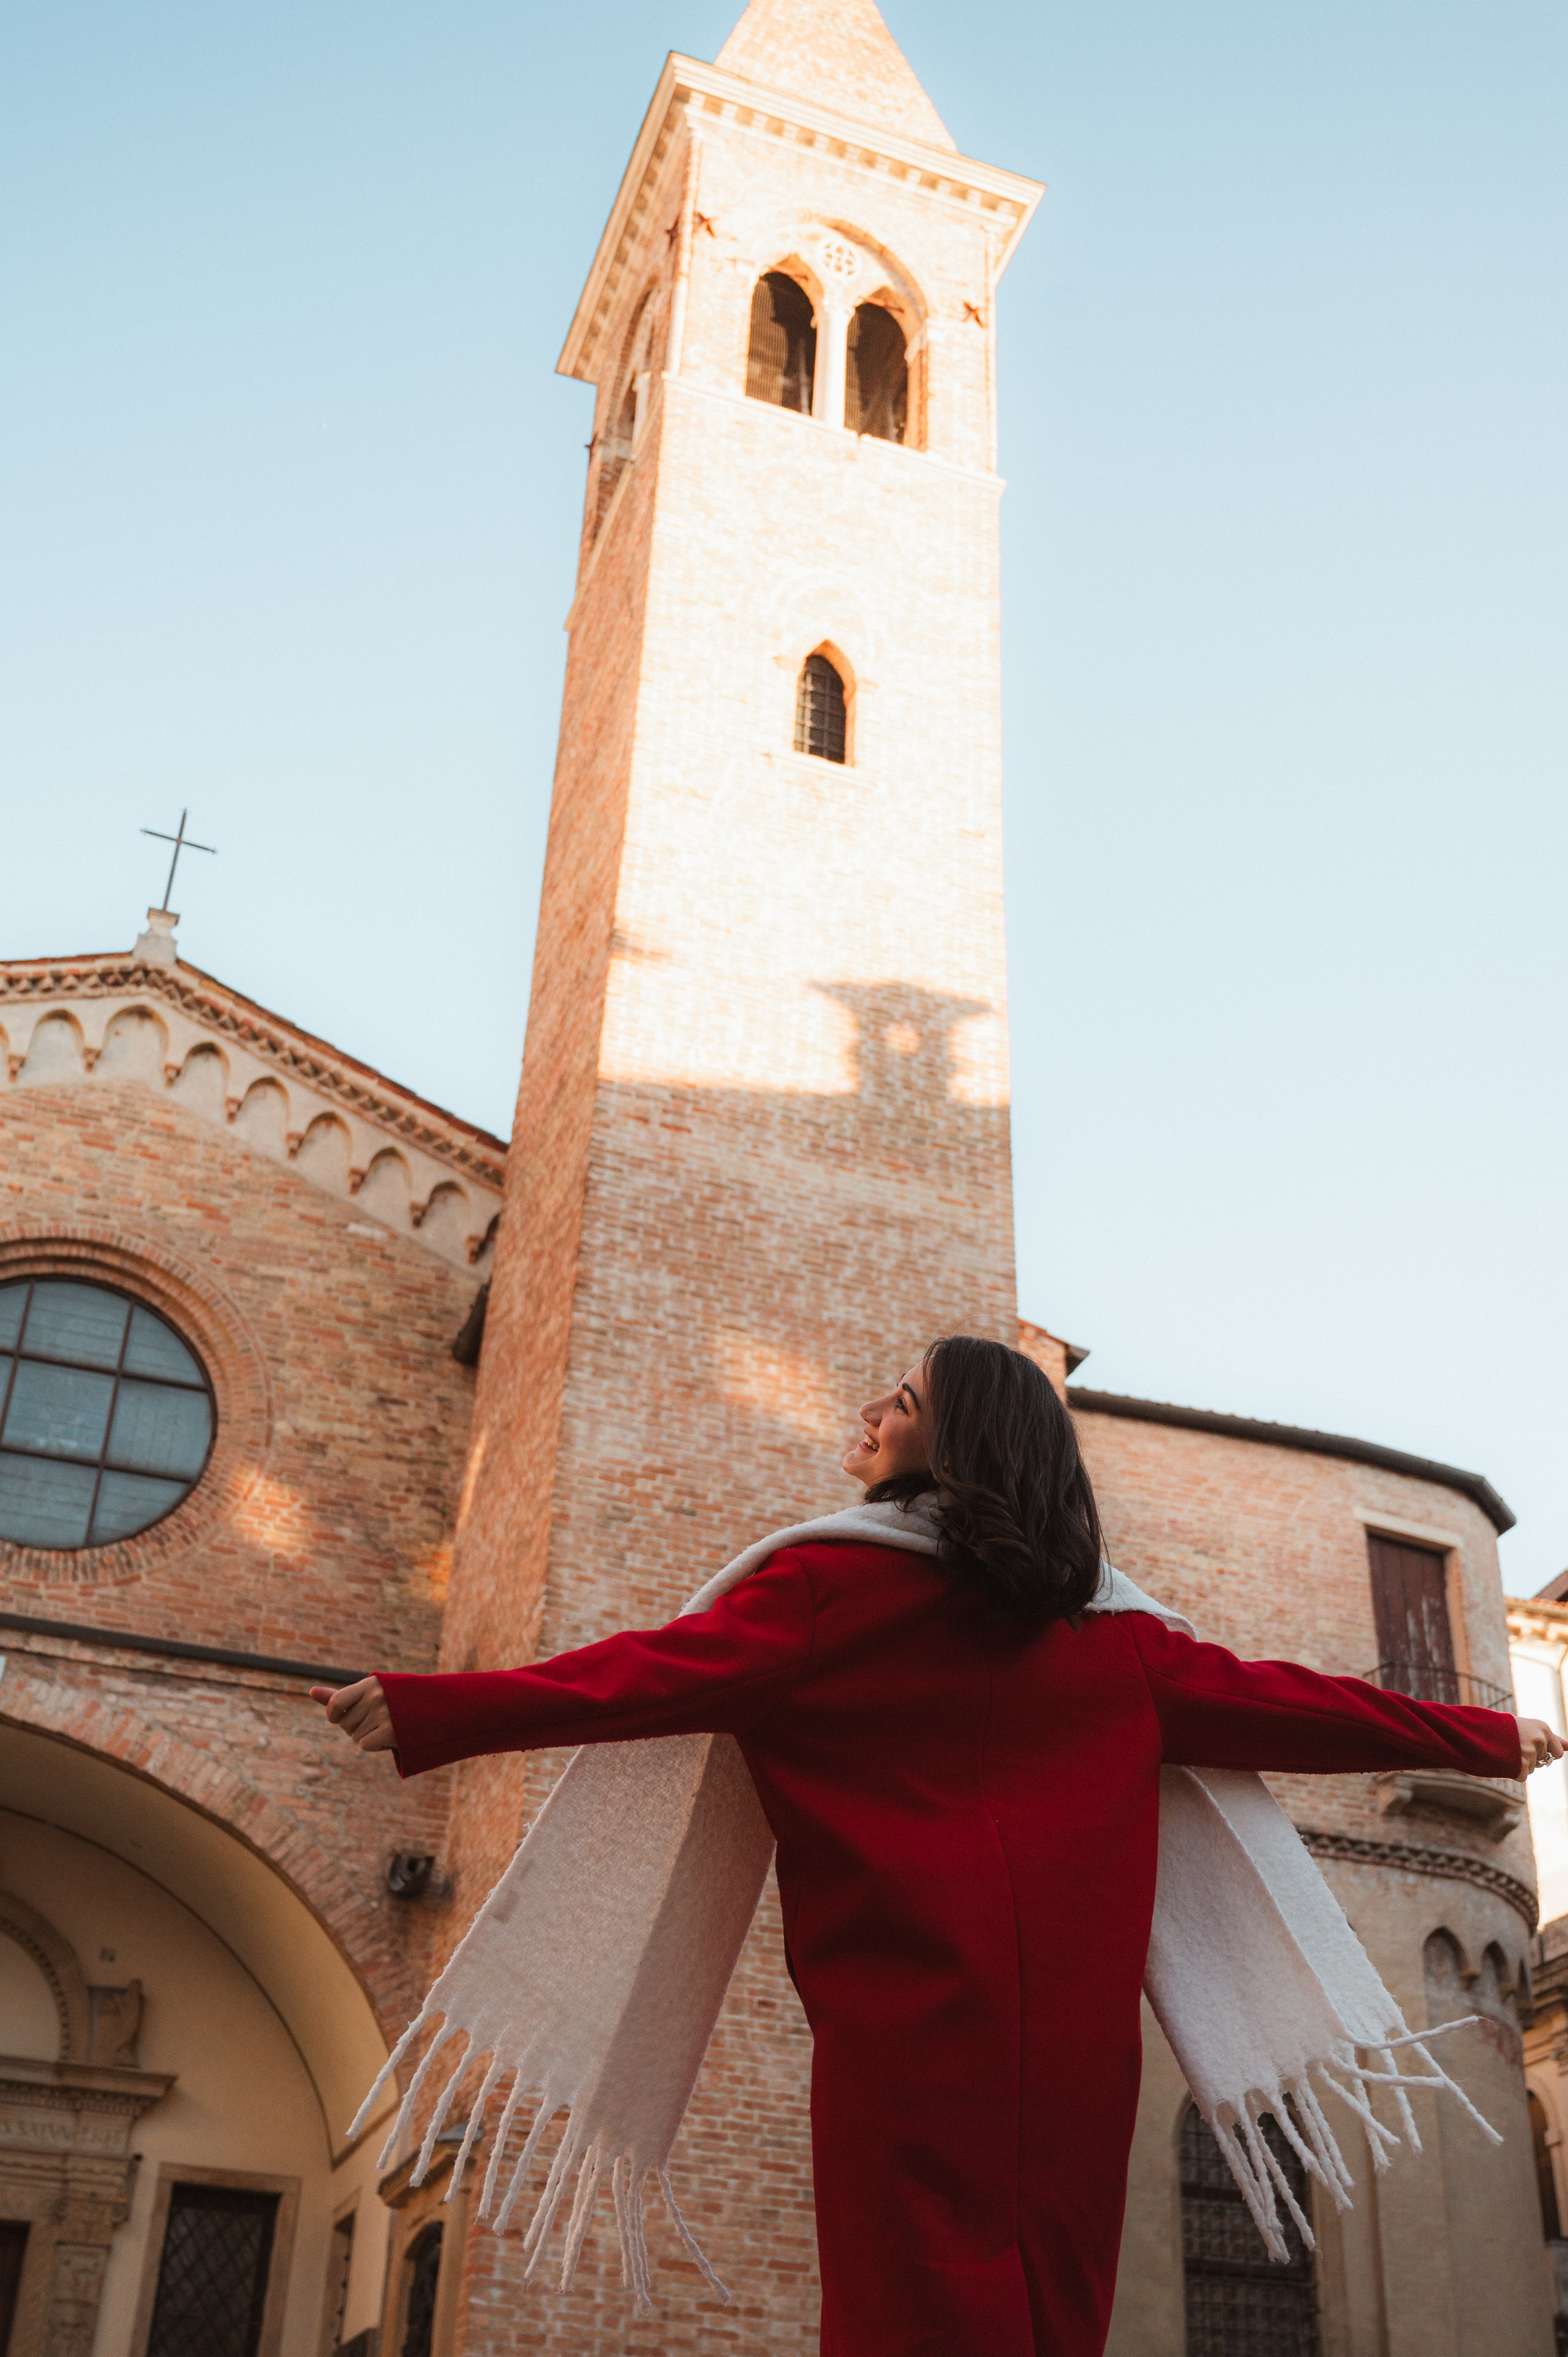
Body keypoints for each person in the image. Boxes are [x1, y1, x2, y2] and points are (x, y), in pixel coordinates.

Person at [314, 1336, 1561, 2357]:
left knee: (904, 2322)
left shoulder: (823, 1596)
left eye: (901, 1400)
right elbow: (1304, 1704)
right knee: (1050, 2320)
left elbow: (638, 1677)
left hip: (902, 2049)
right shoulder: (1118, 1644)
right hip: (1073, 2065)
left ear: (954, 1445)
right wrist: (1483, 1736)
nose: (866, 1409)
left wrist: (441, 1709)